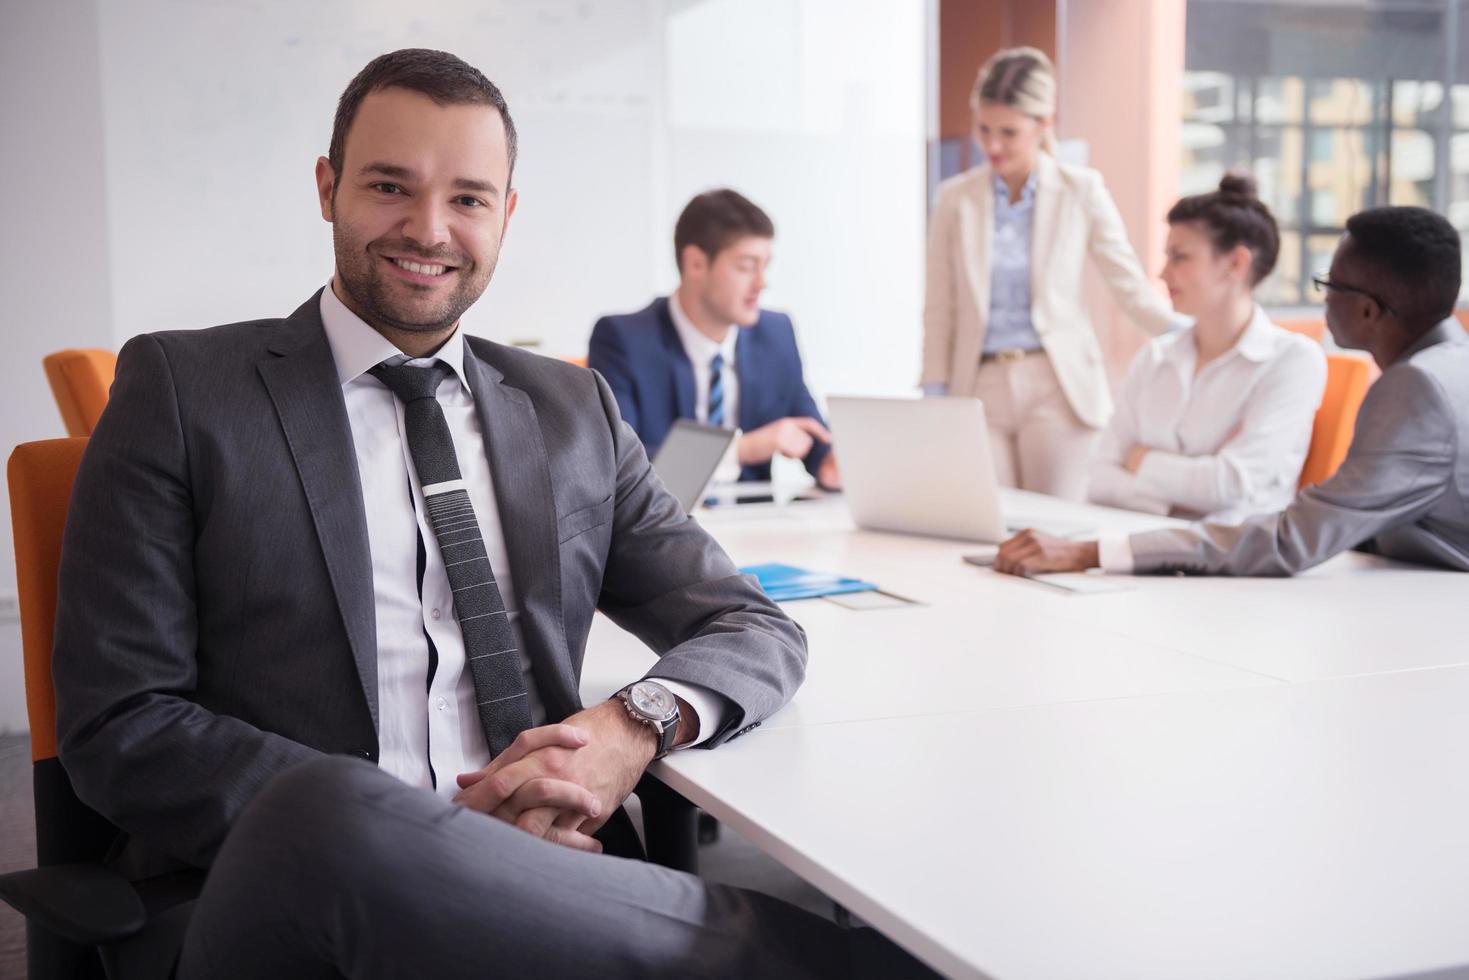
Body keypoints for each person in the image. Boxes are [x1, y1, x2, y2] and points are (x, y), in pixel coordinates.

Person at [51, 49, 928, 978]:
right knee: (325, 809)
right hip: (297, 897)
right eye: (390, 185)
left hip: (555, 877)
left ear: (505, 215)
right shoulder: (186, 391)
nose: (428, 228)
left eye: (468, 198)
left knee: (888, 935)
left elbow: (748, 623)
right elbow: (121, 720)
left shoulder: (570, 411)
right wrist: (415, 830)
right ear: (328, 187)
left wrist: (629, 726)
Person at [997, 206, 1469, 578]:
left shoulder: (1415, 388)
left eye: (1330, 284)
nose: (1323, 298)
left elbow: (1293, 539)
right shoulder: (1451, 365)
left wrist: (1090, 551)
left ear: (1368, 311)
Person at [921, 46, 1180, 500]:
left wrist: (1196, 336)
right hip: (977, 385)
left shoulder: (1082, 189)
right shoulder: (955, 199)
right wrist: (935, 392)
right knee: (983, 524)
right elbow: (939, 307)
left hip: (1057, 384)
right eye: (984, 129)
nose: (993, 145)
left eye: (1009, 132)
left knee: (1054, 527)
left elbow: (1130, 289)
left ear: (1044, 124)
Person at [1087, 174, 1326, 523]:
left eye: (1179, 257)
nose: (1162, 273)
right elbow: (1100, 479)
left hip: (1233, 562)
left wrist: (1141, 461)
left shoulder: (1292, 361)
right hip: (1141, 543)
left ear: (1235, 264)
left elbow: (1232, 485)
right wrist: (1174, 506)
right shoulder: (1155, 357)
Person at [589, 189, 840, 489]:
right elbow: (621, 468)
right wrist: (744, 449)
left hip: (755, 525)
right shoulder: (624, 340)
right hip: (658, 530)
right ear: (695, 263)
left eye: (765, 266)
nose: (762, 283)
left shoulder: (776, 335)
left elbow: (810, 432)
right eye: (746, 267)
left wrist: (832, 463)